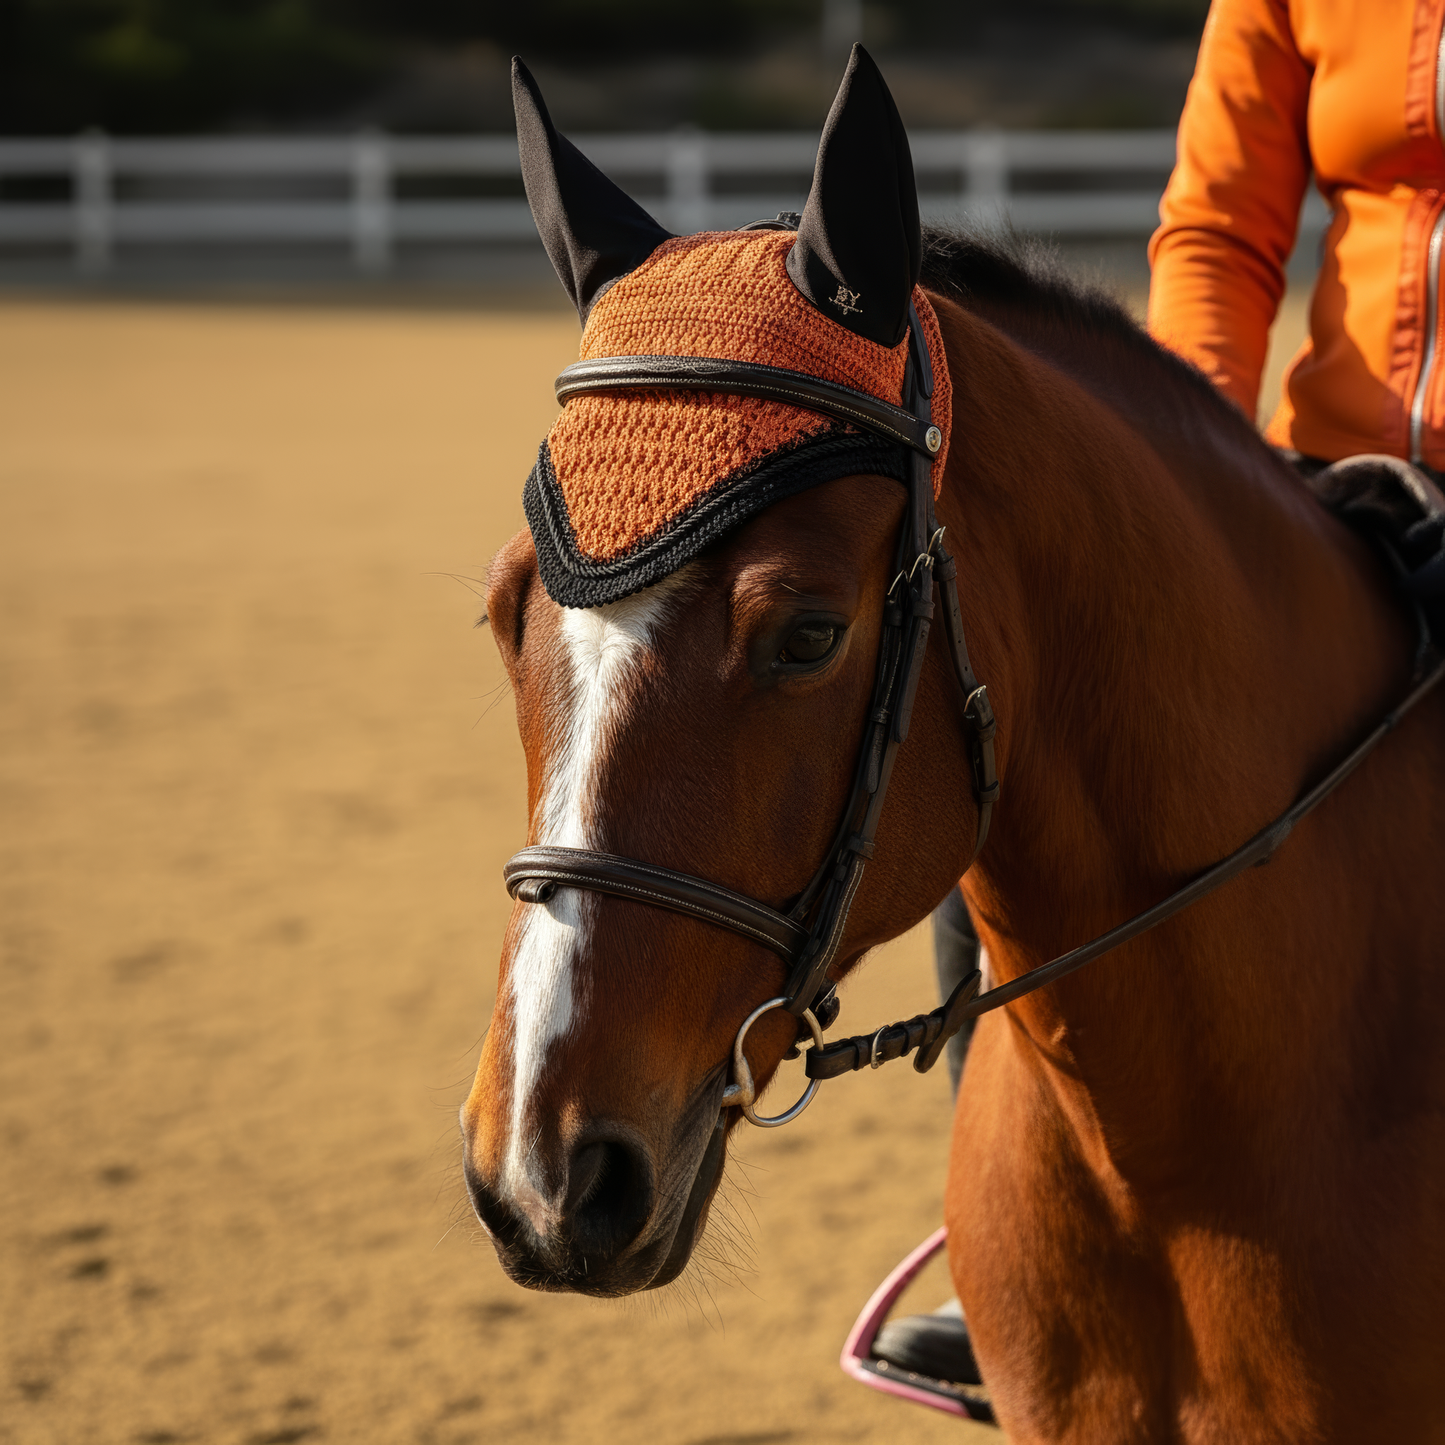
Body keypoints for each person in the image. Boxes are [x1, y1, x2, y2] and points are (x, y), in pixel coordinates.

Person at [872, 0, 1445, 1387]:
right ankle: (1020, 1254)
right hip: (1346, 495)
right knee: (1031, 775)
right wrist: (1192, 486)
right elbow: (1219, 230)